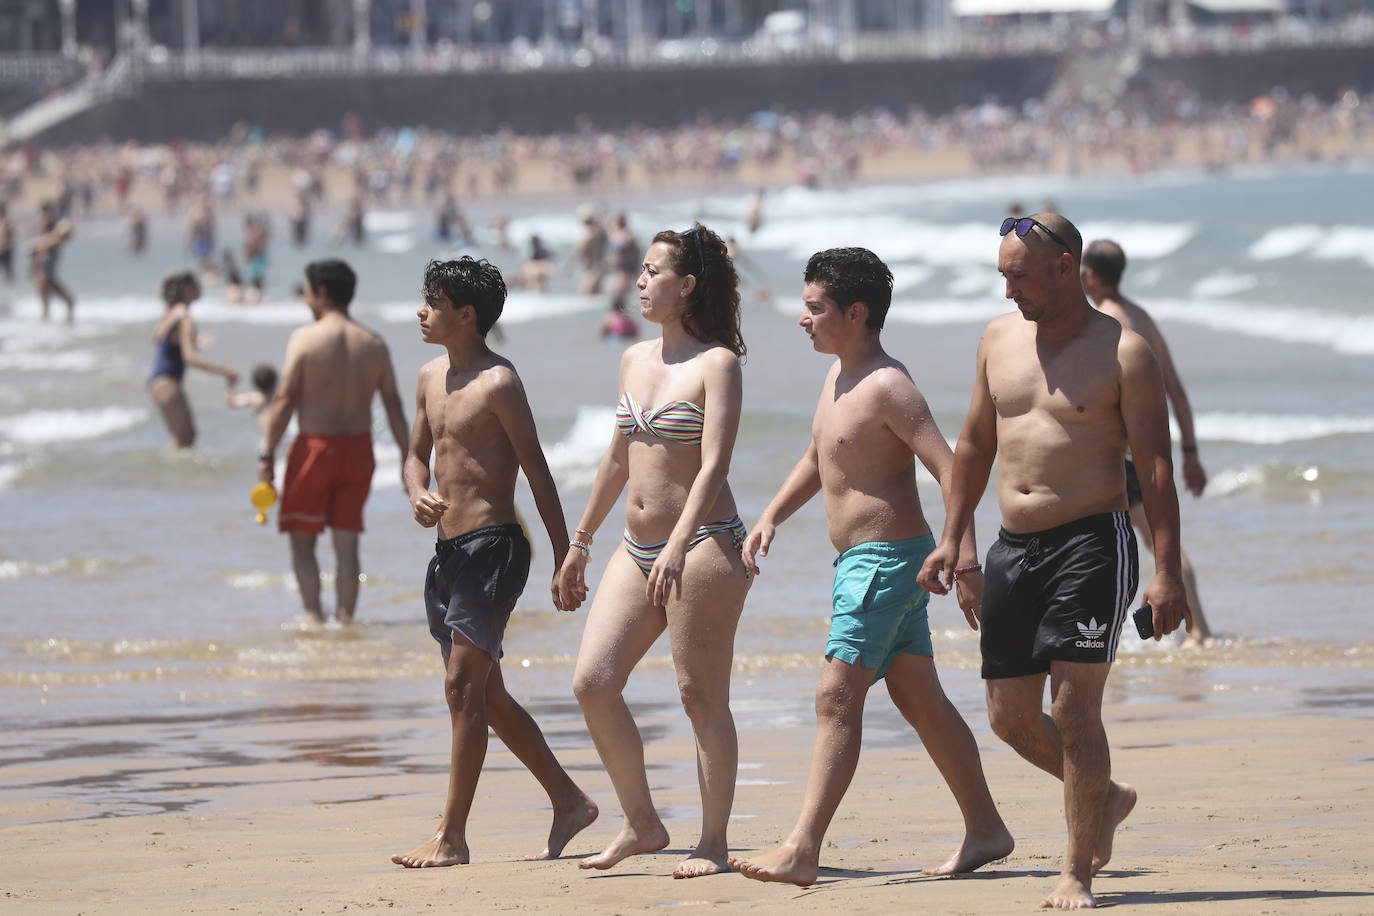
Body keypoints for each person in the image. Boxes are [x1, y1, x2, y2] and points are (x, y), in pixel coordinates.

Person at [917, 213, 1190, 910]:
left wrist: (1165, 570)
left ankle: (1076, 873)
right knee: (1010, 717)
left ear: (1065, 268)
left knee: (1073, 712)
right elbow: (974, 445)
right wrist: (955, 539)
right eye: (1002, 275)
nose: (1009, 290)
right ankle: (1108, 797)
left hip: (1091, 544)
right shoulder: (998, 339)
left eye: (1020, 275)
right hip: (1014, 544)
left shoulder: (1122, 352)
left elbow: (1155, 469)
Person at [729, 247, 1013, 888]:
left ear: (855, 313)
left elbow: (952, 470)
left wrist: (965, 560)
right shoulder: (836, 378)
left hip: (888, 563)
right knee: (921, 701)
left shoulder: (889, 385)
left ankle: (802, 847)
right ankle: (987, 827)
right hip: (868, 563)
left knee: (836, 695)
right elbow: (819, 455)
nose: (803, 320)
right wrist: (773, 512)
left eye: (814, 309)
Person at [556, 224, 751, 879]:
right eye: (639, 271)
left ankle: (715, 843)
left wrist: (674, 545)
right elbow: (617, 460)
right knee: (593, 682)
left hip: (701, 546)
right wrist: (578, 543)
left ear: (686, 284)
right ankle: (642, 823)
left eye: (652, 271)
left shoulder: (717, 364)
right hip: (634, 548)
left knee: (700, 697)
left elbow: (714, 465)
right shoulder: (634, 359)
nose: (639, 282)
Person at [391, 257, 598, 868]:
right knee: (485, 694)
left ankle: (452, 837)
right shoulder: (429, 376)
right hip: (447, 553)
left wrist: (567, 554)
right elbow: (412, 457)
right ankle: (569, 800)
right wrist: (415, 492)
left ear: (466, 314)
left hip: (495, 547)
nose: (421, 311)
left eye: (432, 301)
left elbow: (537, 470)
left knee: (460, 687)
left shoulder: (499, 382)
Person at [257, 259, 409, 625]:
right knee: (347, 544)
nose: (306, 300)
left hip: (314, 448)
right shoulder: (373, 343)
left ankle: (313, 618)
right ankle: (345, 622)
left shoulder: (305, 338)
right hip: (358, 450)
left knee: (302, 540)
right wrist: (409, 459)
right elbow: (393, 404)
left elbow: (285, 399)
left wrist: (267, 453)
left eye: (307, 292)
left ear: (321, 293)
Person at [1080, 239, 1215, 648]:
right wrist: (1190, 453)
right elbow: (1175, 388)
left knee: (1150, 544)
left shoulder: (1105, 319)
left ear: (1090, 276)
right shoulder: (1142, 316)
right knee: (1156, 540)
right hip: (1145, 447)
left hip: (1120, 453)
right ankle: (1186, 631)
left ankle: (1198, 632)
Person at [147, 271, 239, 449]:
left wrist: (193, 341)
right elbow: (190, 359)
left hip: (157, 382)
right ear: (188, 289)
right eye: (197, 285)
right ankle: (173, 475)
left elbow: (158, 337)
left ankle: (171, 474)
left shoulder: (171, 312)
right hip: (168, 383)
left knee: (180, 437)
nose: (201, 288)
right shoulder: (186, 318)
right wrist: (224, 370)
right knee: (186, 437)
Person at [30, 201, 75, 323]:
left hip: (46, 276)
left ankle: (50, 329)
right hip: (45, 277)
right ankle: (48, 330)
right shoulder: (53, 241)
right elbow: (33, 249)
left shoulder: (53, 240)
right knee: (63, 303)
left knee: (48, 307)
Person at [225, 363, 279, 445]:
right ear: (274, 382)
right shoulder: (279, 396)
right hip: (281, 435)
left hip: (267, 439)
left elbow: (231, 402)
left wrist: (230, 384)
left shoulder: (255, 398)